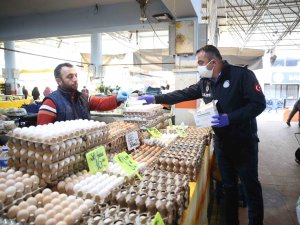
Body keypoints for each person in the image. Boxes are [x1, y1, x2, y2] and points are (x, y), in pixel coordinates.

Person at [138, 45, 266, 225]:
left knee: (250, 187)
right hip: (222, 143)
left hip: (243, 142)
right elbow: (183, 94)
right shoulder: (205, 83)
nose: (198, 66)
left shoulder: (241, 76)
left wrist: (230, 118)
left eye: (200, 62)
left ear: (213, 62)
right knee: (229, 187)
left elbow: (258, 104)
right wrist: (156, 99)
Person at [37, 63, 128, 125]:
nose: (75, 79)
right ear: (59, 81)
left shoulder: (83, 98)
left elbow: (100, 103)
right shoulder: (50, 103)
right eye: (70, 76)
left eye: (76, 75)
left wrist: (116, 99)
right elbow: (43, 134)